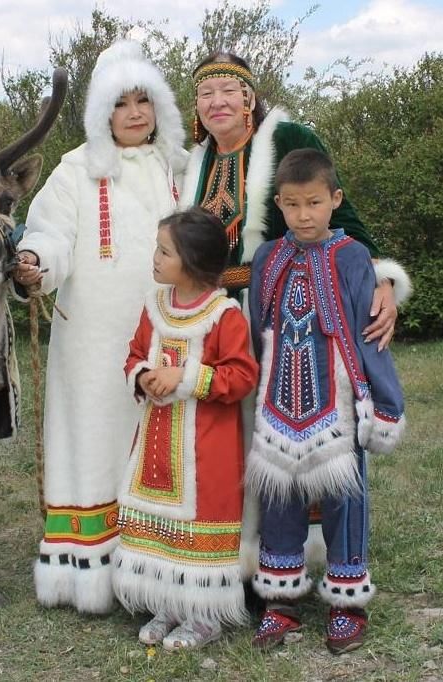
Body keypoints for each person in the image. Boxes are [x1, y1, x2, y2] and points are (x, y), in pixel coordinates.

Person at [12, 41, 187, 614]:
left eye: (145, 100)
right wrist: (36, 263)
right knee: (96, 439)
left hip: (170, 333)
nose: (135, 113)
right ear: (100, 112)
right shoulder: (75, 169)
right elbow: (50, 233)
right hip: (94, 340)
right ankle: (91, 568)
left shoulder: (180, 166)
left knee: (166, 442)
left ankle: (165, 563)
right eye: (121, 102)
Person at [247, 149, 406, 654]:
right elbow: (256, 329)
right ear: (279, 204)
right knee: (278, 498)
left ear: (335, 200)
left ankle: (347, 602)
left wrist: (384, 401)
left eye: (314, 202)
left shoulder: (353, 256)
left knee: (346, 499)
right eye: (292, 204)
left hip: (337, 402)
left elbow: (369, 335)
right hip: (276, 400)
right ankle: (281, 602)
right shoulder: (269, 258)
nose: (304, 214)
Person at [182, 51, 412, 345]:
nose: (217, 101)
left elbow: (339, 216)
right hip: (211, 318)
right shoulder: (193, 165)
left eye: (229, 90)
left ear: (249, 99)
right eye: (206, 94)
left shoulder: (288, 140)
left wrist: (382, 279)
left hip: (288, 311)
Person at [113, 207, 259, 650]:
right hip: (157, 446)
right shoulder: (155, 307)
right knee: (161, 526)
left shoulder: (223, 314)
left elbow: (242, 375)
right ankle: (169, 603)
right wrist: (142, 375)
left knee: (200, 526)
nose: (154, 258)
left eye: (164, 251)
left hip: (205, 452)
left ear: (192, 261)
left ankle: (204, 616)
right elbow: (135, 353)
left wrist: (187, 378)